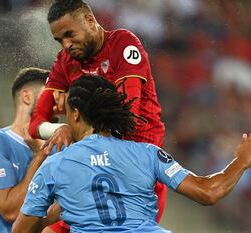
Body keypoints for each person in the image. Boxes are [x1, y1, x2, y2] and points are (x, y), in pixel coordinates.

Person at [12, 75, 251, 233]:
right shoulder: (147, 153)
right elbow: (208, 192)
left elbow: (21, 231)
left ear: (75, 113)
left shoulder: (55, 165)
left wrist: (49, 219)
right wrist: (241, 162)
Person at [29, 1, 167, 231]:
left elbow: (126, 121)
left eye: (69, 34)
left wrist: (75, 125)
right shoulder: (65, 61)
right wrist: (59, 129)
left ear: (90, 21)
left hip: (136, 176)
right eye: (59, 40)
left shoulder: (123, 45)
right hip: (94, 172)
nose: (66, 44)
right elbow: (35, 125)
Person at [0, 67, 54, 233]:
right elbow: (10, 211)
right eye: (50, 96)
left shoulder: (59, 147)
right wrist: (38, 157)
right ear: (27, 97)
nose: (56, 103)